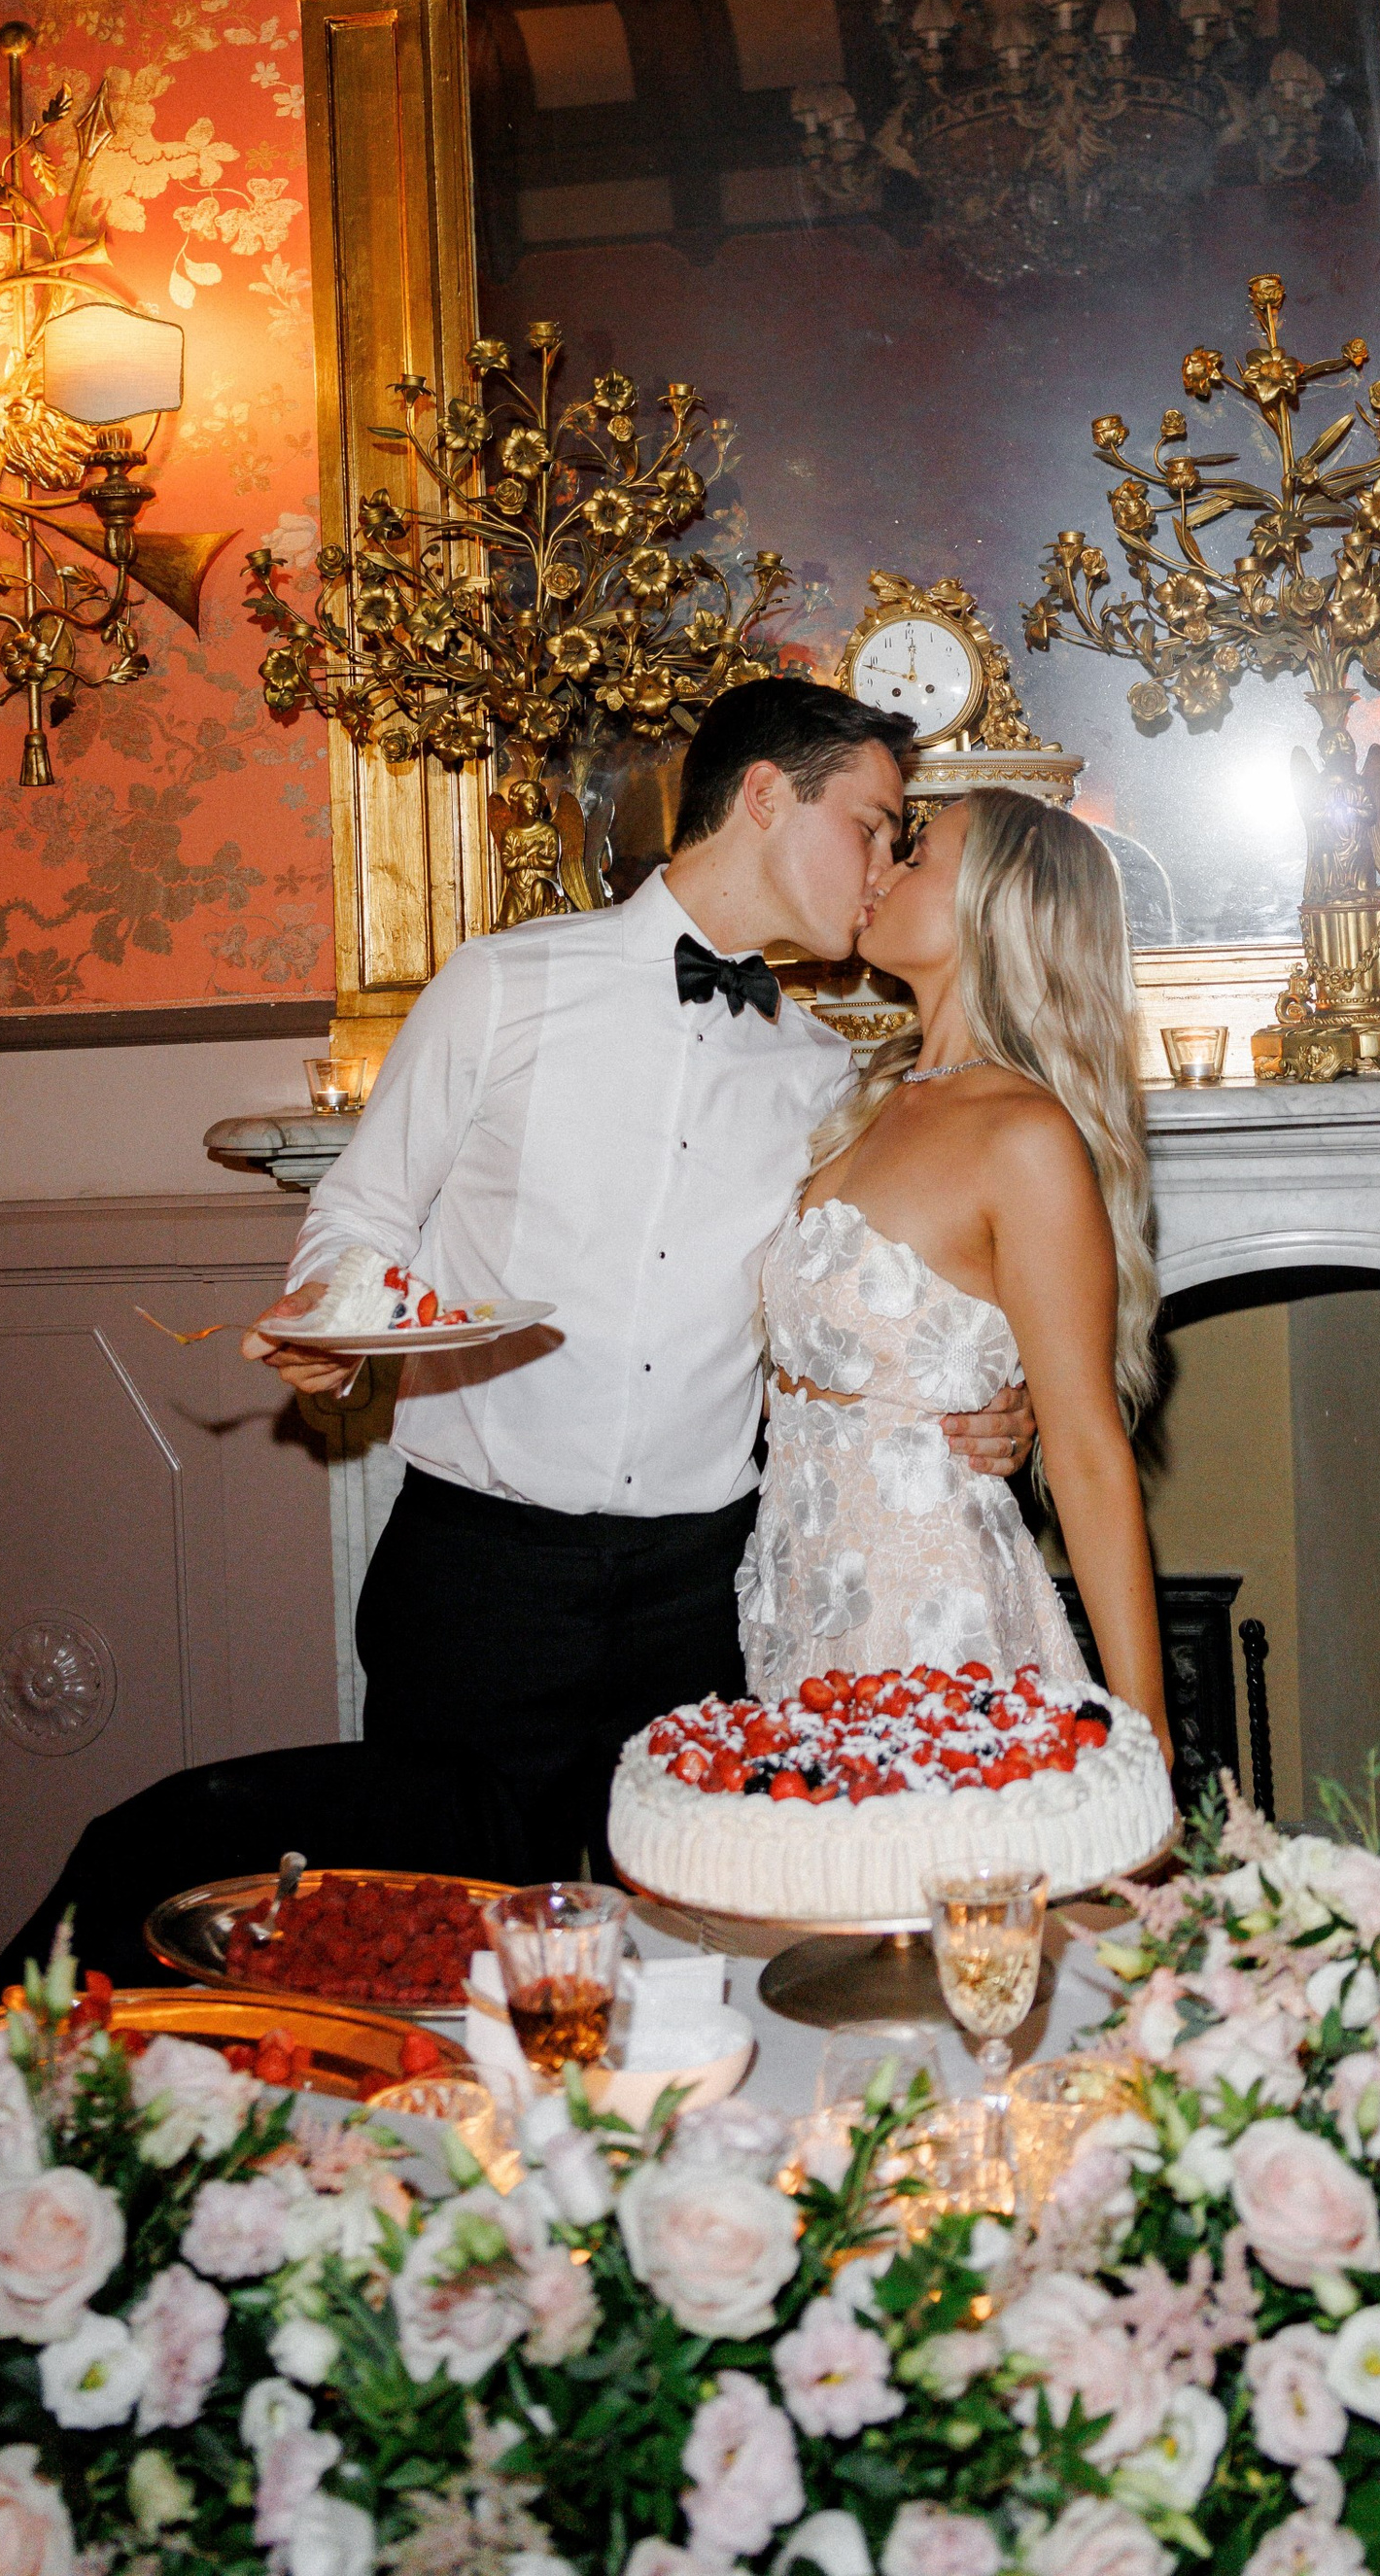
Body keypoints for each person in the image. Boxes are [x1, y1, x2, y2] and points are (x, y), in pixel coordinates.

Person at [241, 680, 1036, 1881]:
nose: (883, 863)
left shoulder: (826, 1074)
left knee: (687, 1946)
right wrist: (335, 1318)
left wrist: (995, 1401)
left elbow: (864, 1306)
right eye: (872, 823)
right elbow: (361, 1208)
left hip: (702, 1595)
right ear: (766, 795)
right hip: (478, 1583)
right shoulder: (502, 984)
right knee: (458, 1949)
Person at [740, 784, 1171, 1758]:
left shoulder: (1024, 1135)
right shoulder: (866, 1100)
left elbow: (1093, 1457)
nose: (881, 869)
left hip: (933, 1621)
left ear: (994, 905)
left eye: (916, 852)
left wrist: (1147, 1738)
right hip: (796, 1603)